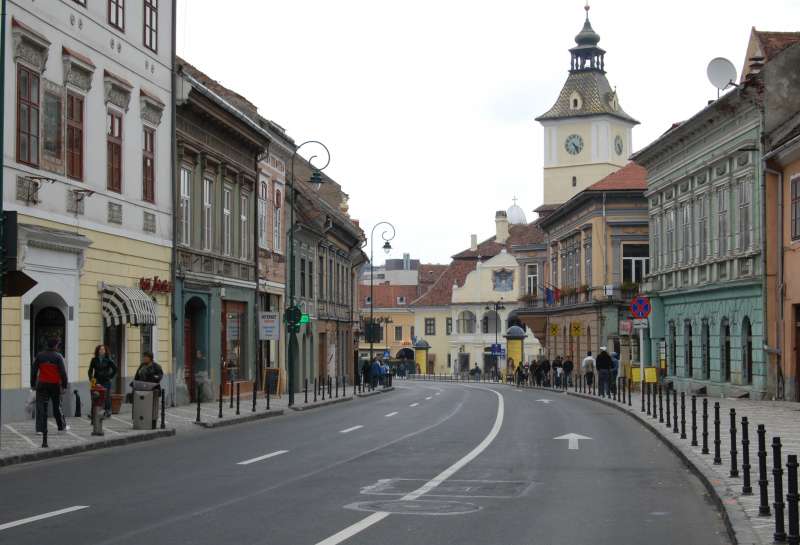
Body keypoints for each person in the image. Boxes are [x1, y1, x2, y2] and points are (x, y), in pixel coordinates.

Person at [31, 337, 69, 434]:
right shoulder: (58, 357)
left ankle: (40, 429)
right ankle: (61, 427)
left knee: (40, 407)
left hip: (42, 384)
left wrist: (33, 384)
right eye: (58, 345)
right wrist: (64, 386)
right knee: (57, 406)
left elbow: (34, 371)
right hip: (55, 385)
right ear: (55, 346)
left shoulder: (40, 356)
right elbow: (63, 373)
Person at [88, 345, 118, 417]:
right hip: (96, 380)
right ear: (98, 351)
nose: (102, 351)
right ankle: (93, 412)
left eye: (103, 349)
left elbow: (115, 369)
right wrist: (92, 379)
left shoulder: (108, 360)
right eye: (100, 349)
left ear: (105, 351)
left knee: (106, 396)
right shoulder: (94, 360)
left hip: (105, 381)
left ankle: (108, 411)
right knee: (95, 396)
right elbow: (90, 371)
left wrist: (110, 377)